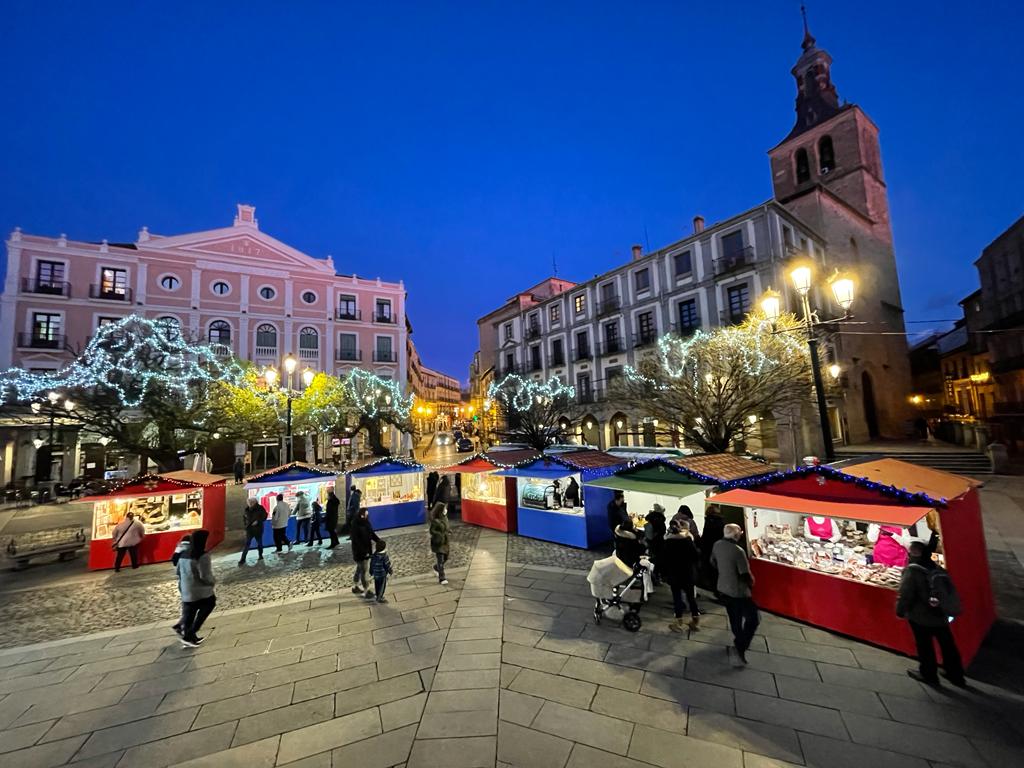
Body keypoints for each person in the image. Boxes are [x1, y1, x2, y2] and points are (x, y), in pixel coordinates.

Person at [896, 540, 966, 687]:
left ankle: (928, 674)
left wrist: (900, 610)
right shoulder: (937, 566)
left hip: (921, 616)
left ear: (915, 552)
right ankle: (956, 674)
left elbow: (906, 594)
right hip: (940, 614)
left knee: (924, 645)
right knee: (947, 644)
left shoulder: (913, 570)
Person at [712, 523, 759, 665]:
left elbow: (712, 562)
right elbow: (744, 573)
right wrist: (751, 582)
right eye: (740, 532)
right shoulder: (738, 551)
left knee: (734, 618)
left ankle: (738, 640)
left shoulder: (717, 545)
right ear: (736, 535)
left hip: (723, 588)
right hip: (738, 592)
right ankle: (741, 644)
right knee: (753, 619)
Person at [176, 529, 216, 647]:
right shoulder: (202, 556)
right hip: (200, 591)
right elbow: (205, 575)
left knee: (190, 612)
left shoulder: (184, 554)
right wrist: (212, 582)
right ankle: (190, 634)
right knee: (209, 604)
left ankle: (189, 636)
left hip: (186, 590)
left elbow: (177, 571)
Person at [662, 520, 701, 632]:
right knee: (691, 598)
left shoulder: (668, 543)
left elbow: (664, 560)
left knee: (677, 598)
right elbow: (696, 556)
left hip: (674, 575)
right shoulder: (688, 541)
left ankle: (679, 623)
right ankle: (695, 621)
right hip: (688, 573)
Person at [350, 507, 381, 596]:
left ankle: (355, 586)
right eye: (365, 515)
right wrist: (364, 552)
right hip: (360, 552)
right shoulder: (355, 525)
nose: (366, 516)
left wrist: (379, 541)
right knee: (364, 570)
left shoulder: (366, 523)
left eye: (367, 515)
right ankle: (366, 590)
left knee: (359, 569)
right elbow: (356, 540)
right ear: (361, 515)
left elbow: (371, 533)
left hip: (366, 550)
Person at [699, 504, 725, 591]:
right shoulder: (720, 521)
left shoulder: (708, 521)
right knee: (717, 569)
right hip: (718, 548)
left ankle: (713, 586)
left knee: (710, 568)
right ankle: (718, 588)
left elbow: (705, 536)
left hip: (707, 548)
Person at [170, 534, 192, 637]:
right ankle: (182, 626)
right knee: (191, 606)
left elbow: (174, 563)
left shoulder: (178, 548)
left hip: (182, 581)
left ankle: (181, 624)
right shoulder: (189, 550)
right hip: (189, 582)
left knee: (187, 605)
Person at [644, 504, 667, 584]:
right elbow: (662, 532)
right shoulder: (660, 520)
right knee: (658, 560)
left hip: (650, 542)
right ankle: (656, 576)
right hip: (658, 543)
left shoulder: (650, 518)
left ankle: (651, 576)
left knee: (652, 558)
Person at [239, 498, 267, 565]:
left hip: (258, 530)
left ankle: (260, 555)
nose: (249, 503)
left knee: (259, 543)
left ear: (254, 502)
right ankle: (243, 559)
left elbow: (265, 516)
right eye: (248, 502)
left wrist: (258, 521)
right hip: (249, 530)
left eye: (250, 502)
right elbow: (244, 518)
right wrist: (245, 525)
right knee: (247, 544)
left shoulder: (260, 508)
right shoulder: (247, 509)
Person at [429, 501, 450, 585]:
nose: (445, 510)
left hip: (445, 541)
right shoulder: (435, 521)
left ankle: (436, 567)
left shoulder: (444, 518)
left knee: (446, 558)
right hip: (438, 542)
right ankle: (442, 577)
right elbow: (432, 531)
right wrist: (439, 534)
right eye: (444, 509)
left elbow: (446, 527)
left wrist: (448, 531)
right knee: (440, 560)